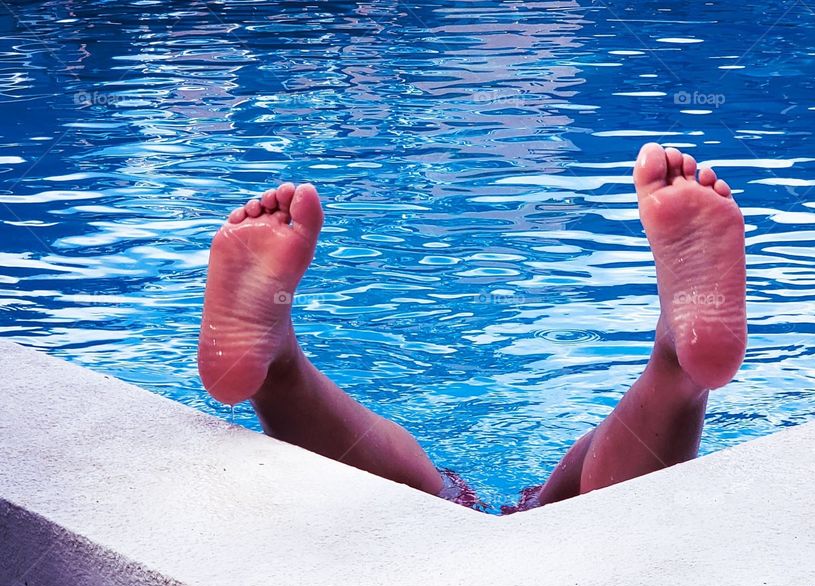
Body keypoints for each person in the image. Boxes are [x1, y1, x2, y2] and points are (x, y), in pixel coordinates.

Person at [197, 143, 747, 511]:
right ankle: (676, 366)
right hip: (576, 561)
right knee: (562, 505)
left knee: (432, 499)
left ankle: (277, 370)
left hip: (420, 552)